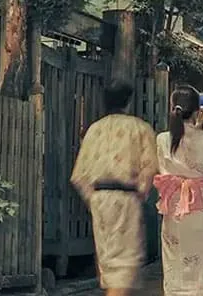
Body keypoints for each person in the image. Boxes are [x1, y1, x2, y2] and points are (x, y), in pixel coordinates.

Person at [69, 80, 158, 296]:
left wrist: (93, 198)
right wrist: (141, 193)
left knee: (109, 260)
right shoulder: (139, 128)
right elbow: (150, 167)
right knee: (125, 263)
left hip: (100, 198)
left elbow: (79, 175)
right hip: (126, 197)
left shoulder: (94, 130)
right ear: (128, 102)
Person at [153, 86, 203, 295]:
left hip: (174, 208)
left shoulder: (163, 139)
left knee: (174, 262)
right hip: (201, 207)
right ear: (198, 112)